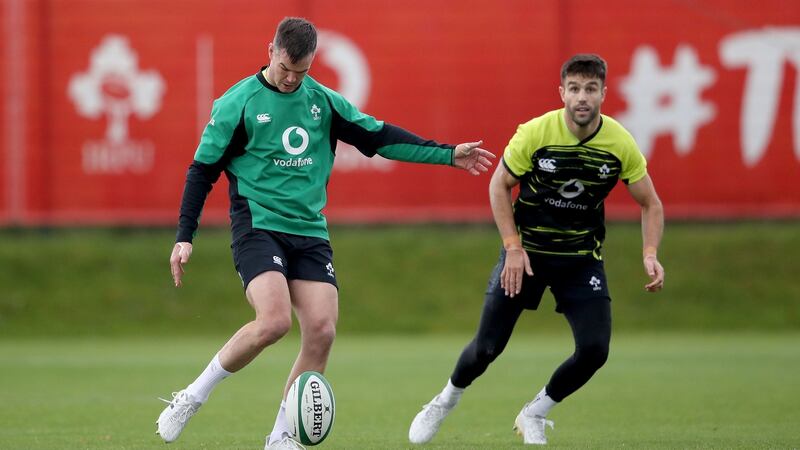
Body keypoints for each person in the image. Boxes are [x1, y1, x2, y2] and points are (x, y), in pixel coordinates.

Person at [155, 16, 495, 450]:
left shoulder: (324, 102)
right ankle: (191, 397)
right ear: (271, 50)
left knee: (322, 330)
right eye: (285, 69)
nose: (292, 79)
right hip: (258, 225)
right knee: (275, 321)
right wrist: (185, 235)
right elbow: (202, 170)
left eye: (303, 71)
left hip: (310, 231)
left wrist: (447, 154)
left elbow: (379, 137)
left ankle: (280, 437)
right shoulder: (237, 103)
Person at [408, 53, 665, 446]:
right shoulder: (535, 133)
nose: (582, 97)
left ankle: (535, 413)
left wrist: (649, 252)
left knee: (595, 350)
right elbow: (498, 185)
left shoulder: (619, 143)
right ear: (561, 92)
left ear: (604, 94)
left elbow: (651, 202)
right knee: (486, 349)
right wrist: (512, 247)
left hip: (580, 260)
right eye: (575, 88)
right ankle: (444, 402)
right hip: (526, 256)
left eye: (591, 89)